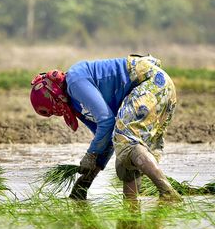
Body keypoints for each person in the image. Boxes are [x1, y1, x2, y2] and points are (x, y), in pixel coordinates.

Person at [30, 55, 180, 201]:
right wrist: (84, 184)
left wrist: (90, 154)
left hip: (150, 82)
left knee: (126, 140)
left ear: (55, 97)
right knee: (126, 154)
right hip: (159, 87)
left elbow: (106, 122)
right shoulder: (76, 104)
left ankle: (167, 193)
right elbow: (107, 138)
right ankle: (131, 206)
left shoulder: (74, 81)